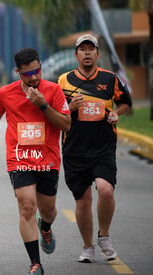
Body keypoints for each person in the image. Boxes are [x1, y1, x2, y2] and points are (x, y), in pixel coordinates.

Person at [0, 48, 71, 275]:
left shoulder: (53, 90)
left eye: (37, 71)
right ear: (18, 72)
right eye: (27, 74)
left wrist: (43, 105)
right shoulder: (6, 93)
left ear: (41, 66)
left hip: (48, 159)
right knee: (26, 206)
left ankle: (46, 226)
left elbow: (66, 124)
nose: (33, 77)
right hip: (19, 158)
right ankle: (35, 263)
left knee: (48, 210)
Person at [57, 34, 132, 263]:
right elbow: (56, 112)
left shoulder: (110, 79)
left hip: (103, 146)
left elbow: (126, 102)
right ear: (76, 54)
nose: (87, 53)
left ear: (98, 54)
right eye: (83, 49)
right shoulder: (63, 81)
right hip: (74, 149)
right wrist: (70, 107)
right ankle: (87, 246)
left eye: (91, 49)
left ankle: (104, 236)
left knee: (106, 189)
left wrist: (115, 113)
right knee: (83, 200)